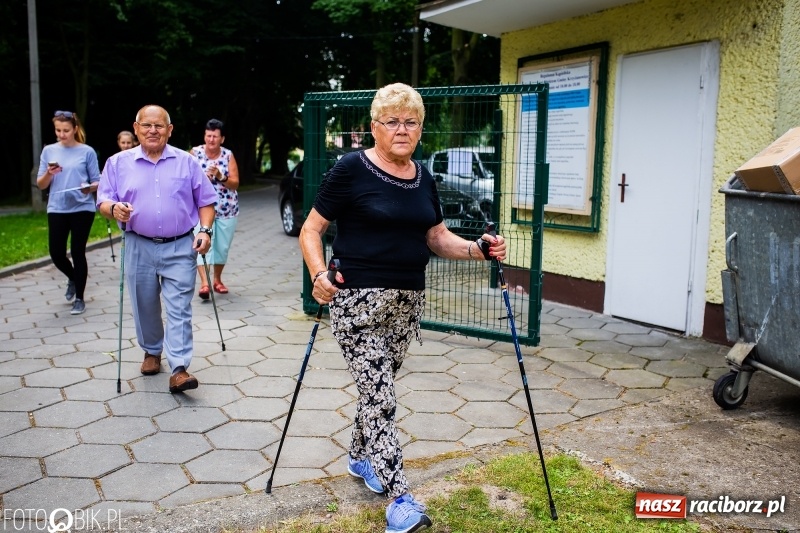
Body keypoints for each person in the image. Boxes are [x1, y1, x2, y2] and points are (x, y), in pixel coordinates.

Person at [299, 83, 506, 533]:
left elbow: (435, 237)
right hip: (356, 302)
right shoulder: (350, 168)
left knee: (378, 388)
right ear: (374, 127)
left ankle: (360, 457)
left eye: (410, 122)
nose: (401, 129)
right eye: (391, 121)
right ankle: (400, 501)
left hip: (406, 304)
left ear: (420, 129)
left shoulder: (423, 177)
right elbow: (311, 230)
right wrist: (318, 275)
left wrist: (478, 250)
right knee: (381, 396)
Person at [97, 105, 217, 394]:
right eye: (147, 125)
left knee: (179, 308)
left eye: (159, 126)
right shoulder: (117, 163)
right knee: (144, 304)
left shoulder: (186, 163)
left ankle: (179, 368)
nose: (153, 130)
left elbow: (206, 201)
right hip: (138, 244)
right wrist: (115, 209)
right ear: (136, 128)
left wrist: (205, 230)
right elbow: (103, 202)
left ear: (169, 130)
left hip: (179, 245)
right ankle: (152, 351)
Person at [36, 110, 102, 315]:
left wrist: (88, 188)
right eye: (58, 130)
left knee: (77, 251)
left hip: (82, 207)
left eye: (65, 130)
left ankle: (80, 299)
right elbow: (40, 184)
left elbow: (97, 181)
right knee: (56, 252)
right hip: (57, 207)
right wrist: (49, 172)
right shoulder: (49, 151)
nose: (61, 134)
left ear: (75, 129)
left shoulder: (87, 151)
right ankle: (73, 277)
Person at [190, 119, 240, 299]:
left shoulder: (228, 155)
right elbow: (185, 181)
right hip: (201, 209)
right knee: (202, 244)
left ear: (222, 139)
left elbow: (235, 184)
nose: (211, 139)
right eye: (208, 135)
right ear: (204, 136)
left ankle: (217, 279)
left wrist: (221, 176)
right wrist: (200, 179)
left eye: (215, 136)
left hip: (227, 209)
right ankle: (205, 284)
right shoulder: (195, 154)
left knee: (221, 247)